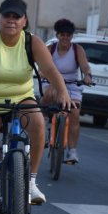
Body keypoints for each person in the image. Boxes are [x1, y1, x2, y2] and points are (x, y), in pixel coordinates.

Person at [0, 0, 75, 214]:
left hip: (21, 98)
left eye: (16, 17)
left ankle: (31, 182)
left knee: (38, 122)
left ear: (24, 21)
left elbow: (50, 69)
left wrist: (63, 93)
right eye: (7, 16)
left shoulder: (32, 42)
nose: (11, 21)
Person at [40, 18, 92, 163]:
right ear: (57, 35)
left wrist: (87, 75)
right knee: (49, 95)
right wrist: (45, 75)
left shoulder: (77, 50)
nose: (65, 37)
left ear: (71, 36)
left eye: (68, 35)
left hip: (72, 85)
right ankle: (44, 125)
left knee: (75, 113)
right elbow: (43, 67)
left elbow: (85, 67)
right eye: (62, 34)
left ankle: (72, 151)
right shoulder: (50, 49)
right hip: (53, 82)